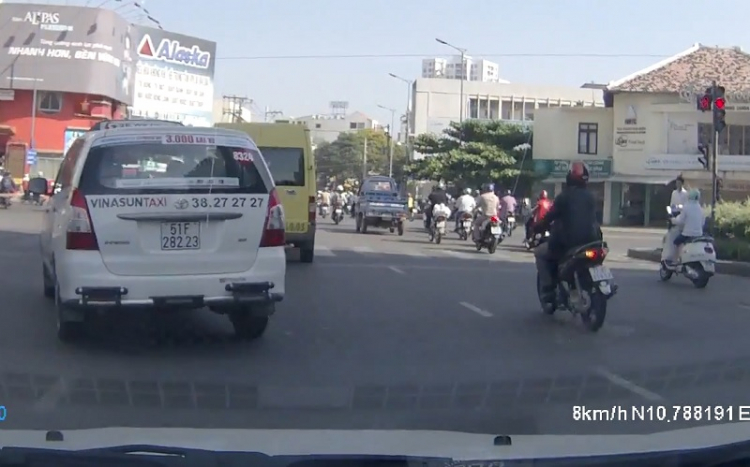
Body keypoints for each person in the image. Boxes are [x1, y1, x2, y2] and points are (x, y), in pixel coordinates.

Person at [533, 161, 602, 307]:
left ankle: (548, 288)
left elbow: (549, 218)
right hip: (592, 241)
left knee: (540, 253)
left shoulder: (563, 197)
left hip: (568, 244)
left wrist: (537, 227)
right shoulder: (590, 197)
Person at [667, 189, 705, 265]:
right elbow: (703, 222)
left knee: (676, 242)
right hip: (699, 234)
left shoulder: (686, 207)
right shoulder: (701, 209)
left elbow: (680, 220)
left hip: (687, 233)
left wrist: (672, 220)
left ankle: (676, 260)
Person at [661, 175, 690, 263]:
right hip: (674, 215)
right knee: (671, 238)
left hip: (681, 217)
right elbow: (671, 204)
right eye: (677, 183)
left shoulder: (686, 194)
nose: (678, 184)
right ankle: (671, 257)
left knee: (680, 240)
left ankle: (679, 257)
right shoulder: (674, 193)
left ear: (682, 183)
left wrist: (679, 207)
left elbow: (685, 207)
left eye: (679, 183)